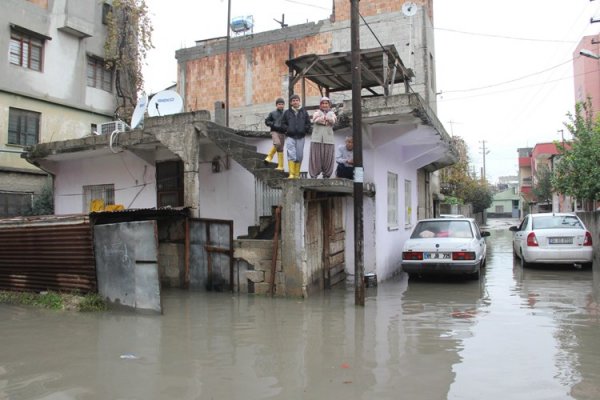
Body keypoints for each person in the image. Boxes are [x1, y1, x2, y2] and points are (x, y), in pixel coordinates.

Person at [281, 94, 312, 179]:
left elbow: (308, 123)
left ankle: (297, 174)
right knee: (291, 154)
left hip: (301, 137)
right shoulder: (287, 113)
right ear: (291, 102)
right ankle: (291, 174)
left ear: (299, 101)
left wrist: (304, 130)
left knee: (299, 155)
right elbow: (283, 123)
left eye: (297, 100)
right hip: (290, 136)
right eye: (293, 100)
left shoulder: (304, 112)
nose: (295, 102)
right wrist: (287, 129)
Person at [309, 97, 337, 178]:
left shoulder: (332, 113)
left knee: (328, 157)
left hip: (328, 139)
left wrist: (326, 118)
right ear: (320, 105)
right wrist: (326, 120)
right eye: (323, 103)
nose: (324, 105)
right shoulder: (316, 112)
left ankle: (326, 175)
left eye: (326, 103)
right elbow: (315, 119)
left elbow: (333, 120)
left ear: (329, 104)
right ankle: (314, 175)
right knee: (316, 158)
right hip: (316, 139)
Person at [263, 97, 286, 171]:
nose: (281, 105)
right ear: (276, 105)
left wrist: (287, 128)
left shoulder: (286, 113)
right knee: (277, 143)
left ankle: (280, 166)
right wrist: (273, 124)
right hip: (274, 131)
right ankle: (269, 157)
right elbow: (267, 121)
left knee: (280, 149)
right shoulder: (272, 113)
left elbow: (289, 122)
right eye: (279, 104)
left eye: (282, 104)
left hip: (282, 132)